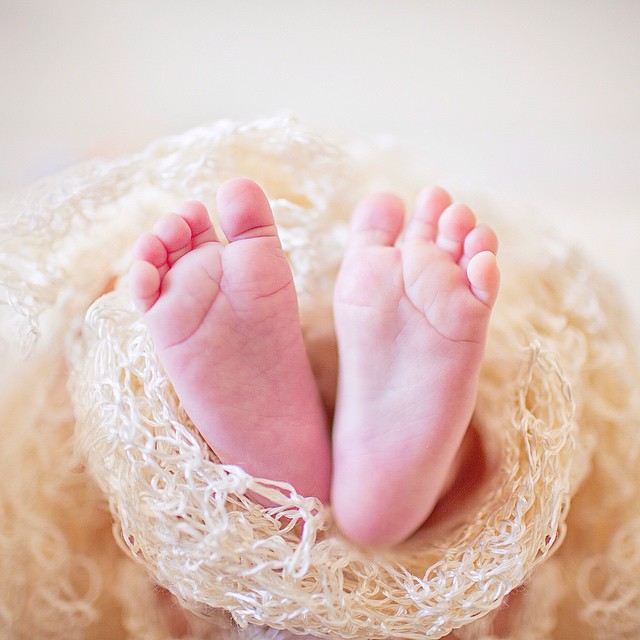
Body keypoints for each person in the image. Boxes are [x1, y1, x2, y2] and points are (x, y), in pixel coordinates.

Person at [129, 177, 500, 547]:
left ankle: (283, 483)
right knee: (476, 456)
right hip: (425, 516)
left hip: (230, 547)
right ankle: (416, 487)